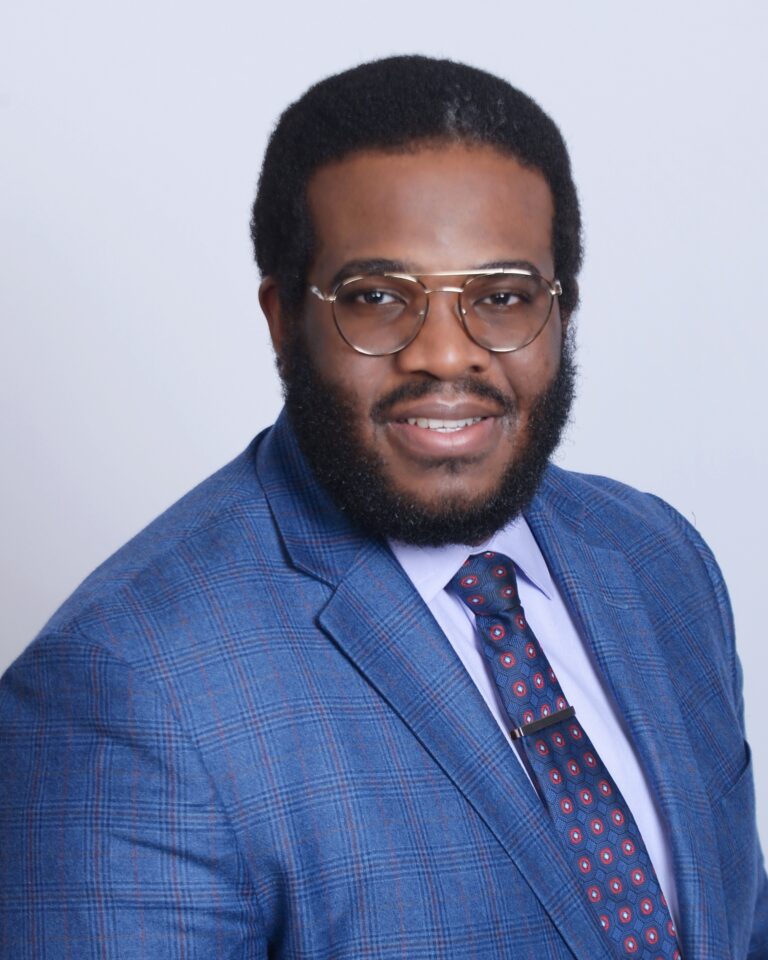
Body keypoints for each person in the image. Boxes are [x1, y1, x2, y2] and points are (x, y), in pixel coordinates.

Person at [0, 55, 765, 960]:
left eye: (502, 296)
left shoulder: (659, 558)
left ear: (562, 311)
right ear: (284, 319)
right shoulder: (123, 688)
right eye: (376, 299)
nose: (445, 353)